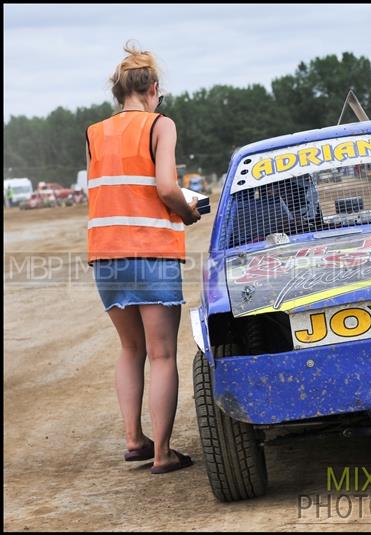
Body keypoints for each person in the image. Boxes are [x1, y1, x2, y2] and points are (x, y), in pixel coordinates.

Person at [85, 41, 201, 475]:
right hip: (151, 252)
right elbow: (167, 187)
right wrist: (187, 212)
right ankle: (162, 452)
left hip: (106, 255)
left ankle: (134, 439)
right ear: (152, 89)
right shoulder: (160, 125)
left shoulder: (94, 133)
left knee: (129, 349)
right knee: (162, 355)